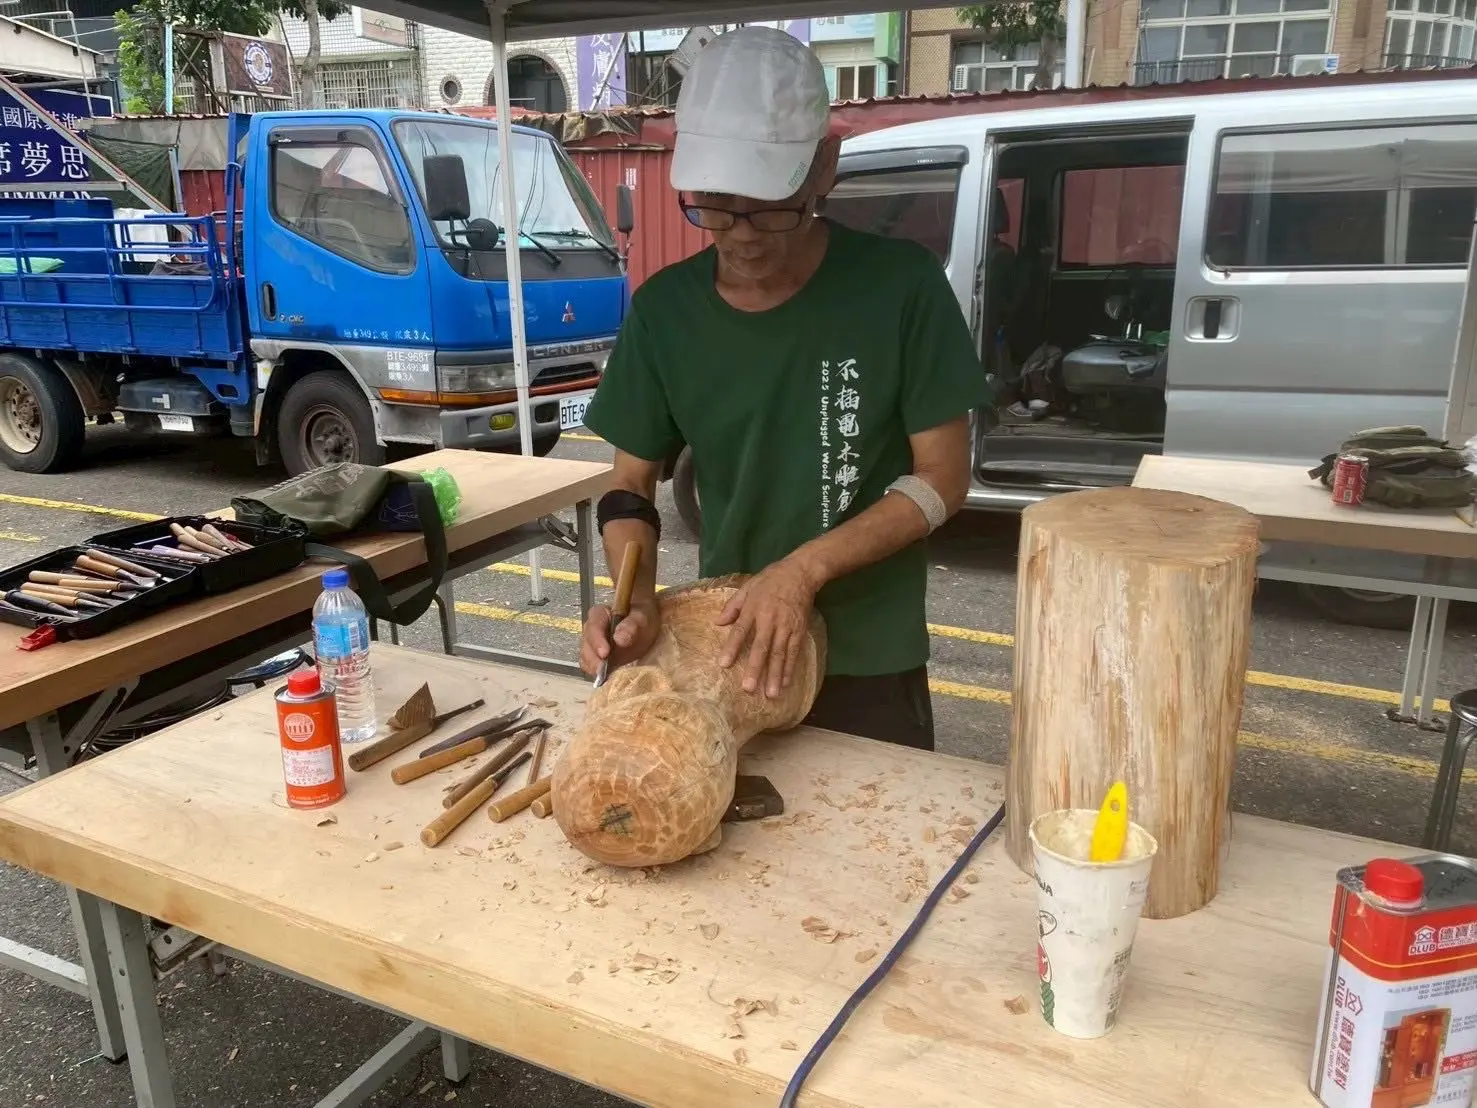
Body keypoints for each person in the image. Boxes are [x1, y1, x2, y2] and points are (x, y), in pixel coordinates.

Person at [577, 25, 990, 751]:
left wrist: (801, 572)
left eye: (770, 206)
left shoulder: (900, 287)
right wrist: (632, 595)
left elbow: (943, 478)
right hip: (726, 652)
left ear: (823, 166)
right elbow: (629, 484)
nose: (739, 235)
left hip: (869, 660)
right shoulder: (666, 310)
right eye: (713, 203)